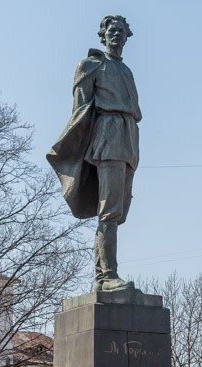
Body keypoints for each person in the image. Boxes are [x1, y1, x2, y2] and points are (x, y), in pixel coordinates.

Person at [47, 15, 141, 292]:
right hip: (108, 137)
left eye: (121, 31)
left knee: (118, 212)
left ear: (127, 36)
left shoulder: (126, 71)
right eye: (112, 30)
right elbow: (79, 113)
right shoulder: (90, 65)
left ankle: (103, 276)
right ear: (103, 35)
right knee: (109, 211)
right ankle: (107, 275)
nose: (116, 34)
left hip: (128, 138)